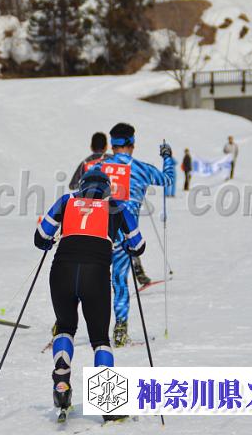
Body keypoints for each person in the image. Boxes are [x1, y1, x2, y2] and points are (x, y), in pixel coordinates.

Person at [34, 169, 145, 423]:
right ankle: (108, 406)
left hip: (61, 271)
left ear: (82, 188)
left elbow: (41, 237)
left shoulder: (67, 201)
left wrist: (49, 242)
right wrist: (125, 244)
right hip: (95, 275)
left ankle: (62, 377)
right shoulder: (116, 207)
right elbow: (138, 245)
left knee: (65, 327)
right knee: (100, 339)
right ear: (107, 190)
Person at [98, 123, 175, 347]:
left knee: (91, 279)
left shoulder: (100, 167)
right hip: (125, 235)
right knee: (119, 280)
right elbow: (168, 180)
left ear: (112, 144)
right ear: (132, 143)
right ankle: (120, 329)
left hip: (97, 232)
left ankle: (65, 324)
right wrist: (167, 157)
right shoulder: (141, 168)